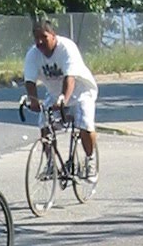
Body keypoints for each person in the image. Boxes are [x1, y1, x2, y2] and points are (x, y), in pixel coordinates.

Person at [22, 17, 98, 179]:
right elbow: (29, 80)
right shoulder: (33, 55)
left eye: (44, 37)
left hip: (80, 91)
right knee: (44, 124)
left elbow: (69, 78)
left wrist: (64, 98)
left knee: (85, 124)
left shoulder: (66, 48)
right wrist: (33, 99)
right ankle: (50, 164)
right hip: (55, 94)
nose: (40, 42)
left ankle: (90, 160)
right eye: (37, 38)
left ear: (53, 36)